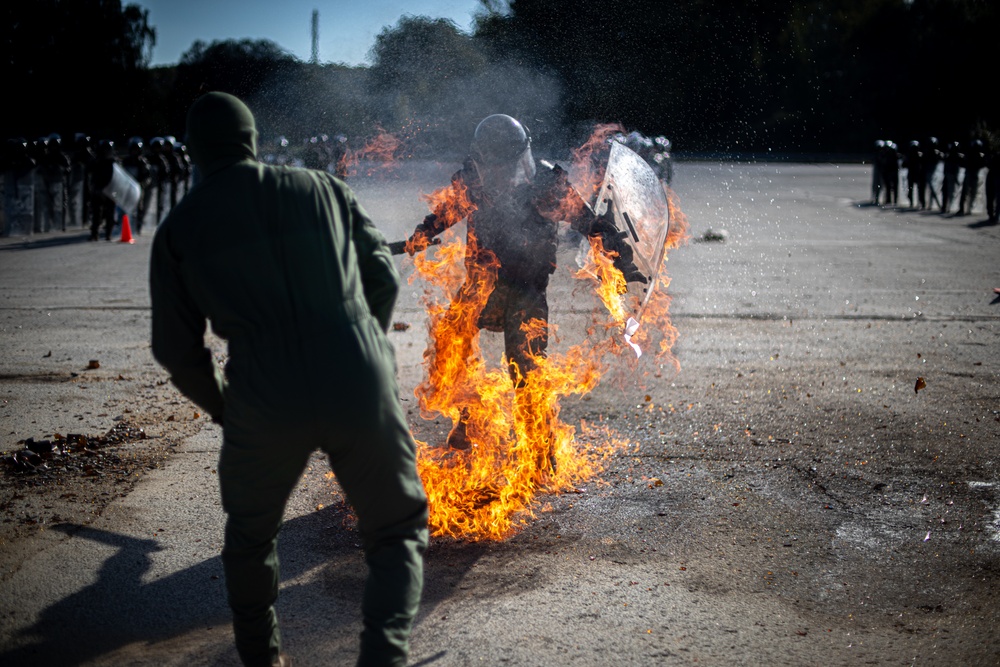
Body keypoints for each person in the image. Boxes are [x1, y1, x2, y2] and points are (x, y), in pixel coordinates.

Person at [149, 92, 428, 667]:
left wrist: (227, 407)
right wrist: (362, 350)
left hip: (263, 386)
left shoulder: (178, 228)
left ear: (195, 151)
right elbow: (382, 277)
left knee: (251, 538)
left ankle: (263, 659)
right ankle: (384, 654)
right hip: (356, 369)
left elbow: (176, 350)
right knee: (396, 528)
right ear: (251, 140)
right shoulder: (322, 188)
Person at [403, 113, 642, 456]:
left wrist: (616, 251)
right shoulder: (474, 181)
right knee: (453, 345)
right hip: (481, 284)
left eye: (506, 163)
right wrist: (423, 234)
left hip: (527, 289)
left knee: (528, 369)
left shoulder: (546, 183)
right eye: (494, 165)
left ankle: (540, 448)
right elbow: (446, 212)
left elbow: (589, 221)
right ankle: (469, 420)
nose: (500, 173)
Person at [122, 136, 152, 234]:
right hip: (127, 188)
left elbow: (147, 176)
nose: (135, 151)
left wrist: (142, 185)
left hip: (138, 188)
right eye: (133, 149)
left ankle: (138, 226)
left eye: (136, 149)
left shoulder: (143, 162)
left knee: (140, 207)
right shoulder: (125, 161)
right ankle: (124, 225)